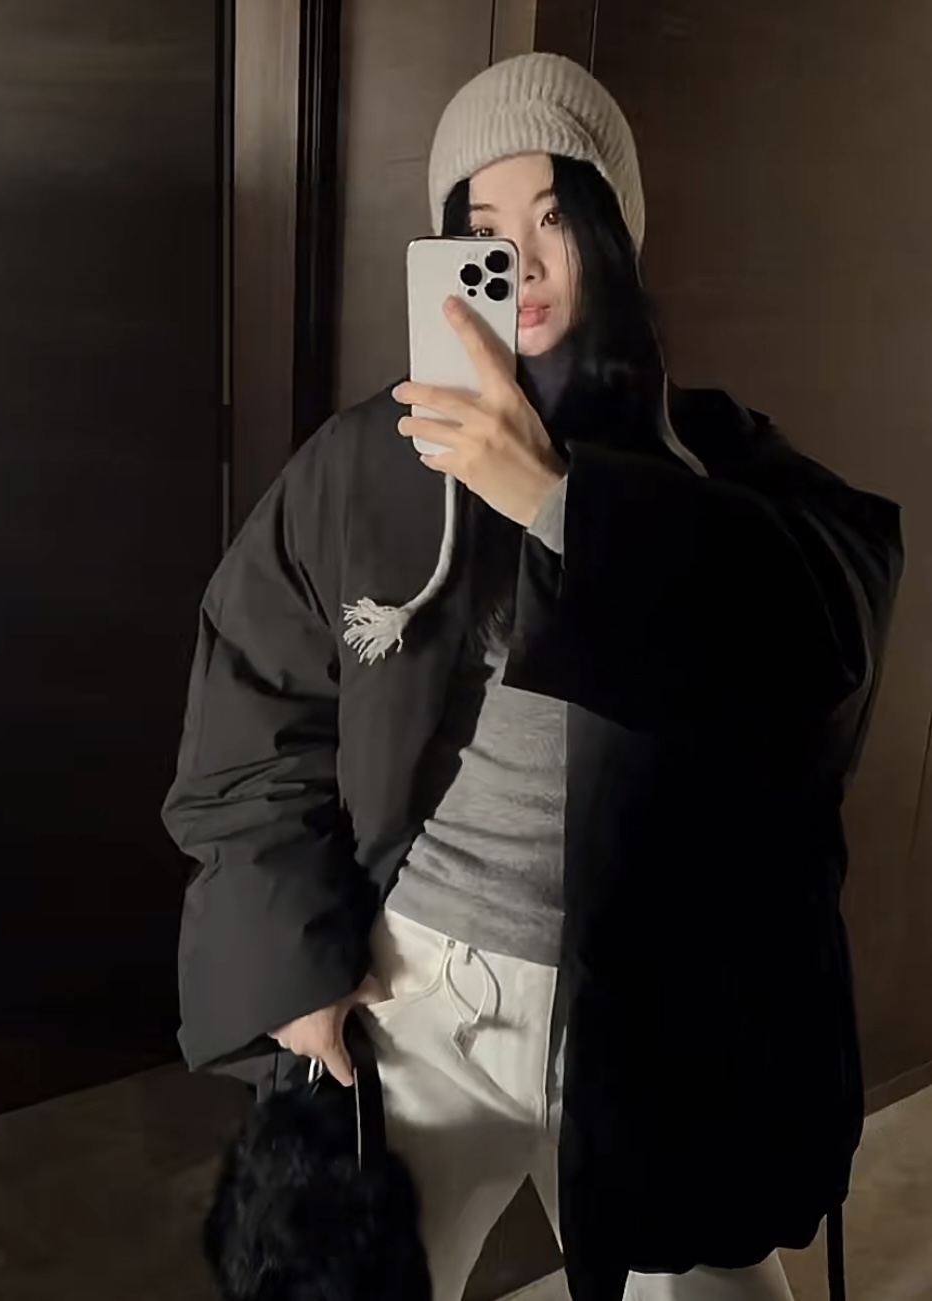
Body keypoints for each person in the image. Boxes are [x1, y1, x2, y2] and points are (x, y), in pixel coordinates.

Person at [164, 52, 903, 1301]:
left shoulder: (719, 464)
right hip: (418, 988)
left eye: (556, 217)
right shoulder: (368, 461)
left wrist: (564, 502)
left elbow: (822, 652)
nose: (522, 261)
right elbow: (249, 711)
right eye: (483, 229)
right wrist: (292, 968)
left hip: (652, 1005)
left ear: (613, 234)